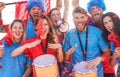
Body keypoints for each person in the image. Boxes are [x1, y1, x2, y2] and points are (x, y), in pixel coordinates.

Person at [62, 6, 110, 77]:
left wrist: (100, 58)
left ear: (86, 18)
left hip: (96, 73)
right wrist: (67, 54)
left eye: (82, 17)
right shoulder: (69, 34)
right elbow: (64, 56)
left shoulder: (97, 32)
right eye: (76, 18)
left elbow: (108, 52)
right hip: (77, 73)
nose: (79, 20)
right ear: (73, 19)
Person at [101, 12, 120, 77]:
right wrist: (114, 56)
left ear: (115, 21)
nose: (108, 24)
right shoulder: (111, 41)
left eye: (110, 21)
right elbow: (112, 65)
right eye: (105, 23)